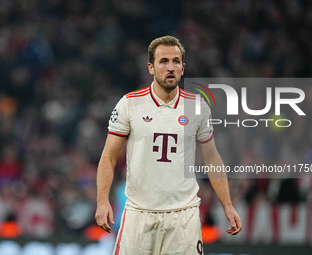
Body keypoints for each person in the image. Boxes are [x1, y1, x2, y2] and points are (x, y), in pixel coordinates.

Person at [95, 35, 242, 255]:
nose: (170, 67)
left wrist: (228, 205)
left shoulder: (197, 106)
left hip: (183, 216)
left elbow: (212, 158)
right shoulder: (129, 104)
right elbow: (109, 157)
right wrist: (102, 200)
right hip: (139, 214)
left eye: (176, 61)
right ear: (151, 68)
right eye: (163, 61)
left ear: (183, 68)